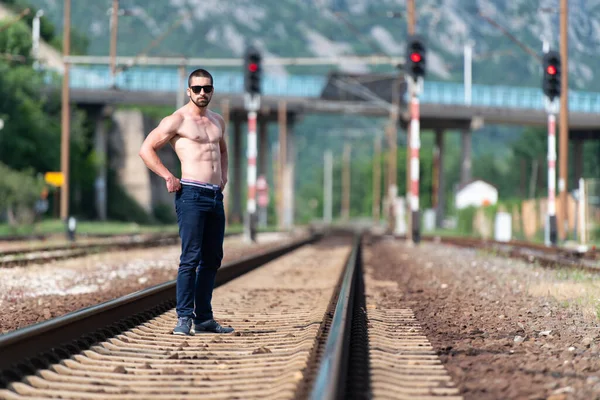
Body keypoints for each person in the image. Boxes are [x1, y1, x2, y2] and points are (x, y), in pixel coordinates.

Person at [139, 68, 234, 335]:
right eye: (197, 89)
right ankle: (183, 317)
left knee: (212, 258)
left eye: (207, 88)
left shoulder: (217, 121)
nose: (202, 93)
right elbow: (146, 149)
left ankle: (203, 318)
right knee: (190, 258)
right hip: (191, 193)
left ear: (212, 90)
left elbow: (223, 150)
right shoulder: (177, 120)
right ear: (188, 91)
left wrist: (224, 176)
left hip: (215, 196)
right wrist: (168, 176)